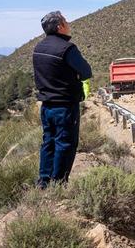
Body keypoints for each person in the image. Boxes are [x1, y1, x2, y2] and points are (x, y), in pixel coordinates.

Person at [33, 11, 92, 187]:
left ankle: (43, 181)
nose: (68, 24)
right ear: (60, 26)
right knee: (65, 144)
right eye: (66, 21)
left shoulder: (38, 48)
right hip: (65, 106)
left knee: (48, 142)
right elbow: (86, 72)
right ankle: (58, 183)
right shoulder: (67, 48)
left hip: (46, 106)